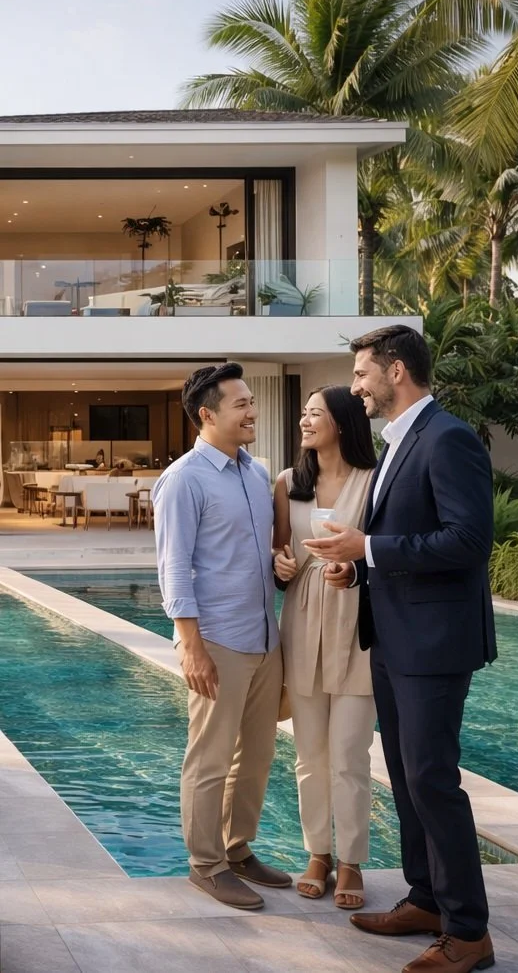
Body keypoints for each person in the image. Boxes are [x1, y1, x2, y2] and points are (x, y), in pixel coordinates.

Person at [303, 325, 497, 973]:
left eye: (360, 373)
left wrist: (370, 549)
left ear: (394, 371)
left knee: (432, 782)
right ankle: (426, 900)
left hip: (434, 646)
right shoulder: (398, 442)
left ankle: (468, 933)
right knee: (409, 783)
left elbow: (467, 542)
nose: (354, 385)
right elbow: (401, 541)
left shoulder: (448, 438)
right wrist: (356, 569)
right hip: (391, 638)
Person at [152, 362, 291, 911]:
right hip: (217, 640)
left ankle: (237, 849)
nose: (253, 411)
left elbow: (257, 550)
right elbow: (174, 567)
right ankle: (205, 864)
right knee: (210, 757)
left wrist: (280, 563)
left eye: (252, 401)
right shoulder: (184, 479)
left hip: (264, 636)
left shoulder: (256, 473)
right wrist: (191, 646)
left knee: (255, 756)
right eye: (241, 404)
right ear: (207, 415)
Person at [273, 385, 377, 910]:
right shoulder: (288, 484)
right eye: (304, 414)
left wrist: (354, 569)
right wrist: (281, 567)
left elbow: (385, 554)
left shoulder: (374, 481)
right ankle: (318, 853)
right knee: (309, 754)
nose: (305, 421)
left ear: (341, 422)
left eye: (315, 414)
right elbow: (276, 553)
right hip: (303, 622)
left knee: (349, 753)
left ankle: (353, 860)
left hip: (356, 623)